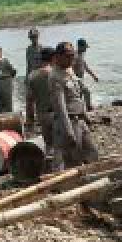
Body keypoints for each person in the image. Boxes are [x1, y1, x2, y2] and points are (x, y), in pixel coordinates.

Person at [50, 41, 98, 169]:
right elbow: (60, 107)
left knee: (92, 153)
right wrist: (68, 130)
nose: (72, 58)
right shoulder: (55, 76)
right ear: (58, 56)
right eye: (68, 55)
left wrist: (86, 115)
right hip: (69, 122)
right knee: (74, 160)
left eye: (73, 54)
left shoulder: (69, 70)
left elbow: (77, 95)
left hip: (80, 119)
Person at [25, 47, 56, 160]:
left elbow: (29, 100)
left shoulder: (32, 75)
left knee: (49, 145)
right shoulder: (56, 73)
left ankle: (50, 168)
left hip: (42, 114)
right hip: (57, 113)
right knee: (61, 145)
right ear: (53, 58)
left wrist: (30, 119)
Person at [73, 38, 98, 112]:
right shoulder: (75, 55)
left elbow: (86, 67)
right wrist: (74, 79)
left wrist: (94, 76)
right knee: (87, 92)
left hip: (80, 79)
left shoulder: (81, 55)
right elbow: (70, 68)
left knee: (80, 95)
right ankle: (89, 108)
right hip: (75, 79)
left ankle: (80, 110)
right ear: (80, 46)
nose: (86, 49)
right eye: (85, 47)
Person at [0, 46, 17, 114]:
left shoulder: (5, 61)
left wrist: (8, 80)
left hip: (5, 82)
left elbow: (13, 71)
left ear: (1, 53)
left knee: (8, 102)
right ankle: (1, 115)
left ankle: (10, 116)